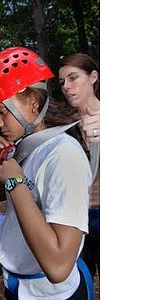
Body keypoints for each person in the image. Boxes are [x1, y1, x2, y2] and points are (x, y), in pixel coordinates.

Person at [0, 47, 93, 299]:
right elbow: (2, 196)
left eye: (3, 111)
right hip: (20, 287)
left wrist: (15, 183)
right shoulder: (24, 146)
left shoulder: (64, 156)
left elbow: (58, 266)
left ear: (33, 103)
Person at [58, 53, 100, 279]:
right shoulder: (65, 127)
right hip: (75, 217)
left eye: (73, 78)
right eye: (62, 82)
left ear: (93, 77)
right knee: (78, 280)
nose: (67, 87)